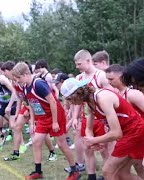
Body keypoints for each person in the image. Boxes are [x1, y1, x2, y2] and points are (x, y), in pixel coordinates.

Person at [60, 78, 144, 180]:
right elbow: (88, 128)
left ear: (76, 94)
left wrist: (95, 140)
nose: (71, 103)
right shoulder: (90, 103)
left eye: (69, 99)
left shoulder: (102, 98)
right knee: (122, 174)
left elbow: (116, 133)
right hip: (129, 133)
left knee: (107, 171)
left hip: (135, 132)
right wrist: (91, 140)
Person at [12, 62, 79, 180]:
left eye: (19, 78)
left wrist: (55, 122)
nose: (17, 81)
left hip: (55, 116)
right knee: (36, 142)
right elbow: (31, 104)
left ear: (26, 74)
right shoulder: (25, 86)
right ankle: (38, 171)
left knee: (62, 144)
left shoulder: (38, 83)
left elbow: (53, 101)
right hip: (42, 118)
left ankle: (74, 170)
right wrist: (32, 121)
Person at [70, 49, 114, 179]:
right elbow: (77, 100)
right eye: (76, 64)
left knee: (104, 150)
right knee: (87, 148)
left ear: (88, 61)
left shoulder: (101, 76)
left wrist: (110, 122)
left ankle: (107, 176)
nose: (77, 67)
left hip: (102, 119)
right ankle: (91, 176)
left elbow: (112, 97)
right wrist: (74, 117)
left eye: (79, 64)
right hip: (87, 117)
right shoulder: (79, 78)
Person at [105, 64, 144, 178]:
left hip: (139, 135)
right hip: (130, 136)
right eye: (107, 79)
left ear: (122, 76)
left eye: (111, 79)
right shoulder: (117, 95)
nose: (109, 82)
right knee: (130, 169)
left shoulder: (133, 94)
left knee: (138, 166)